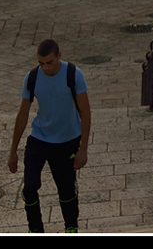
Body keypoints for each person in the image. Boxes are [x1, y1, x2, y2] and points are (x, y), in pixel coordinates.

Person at [7, 39, 91, 233]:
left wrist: (83, 148)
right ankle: (36, 230)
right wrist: (13, 151)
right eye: (41, 63)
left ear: (59, 56)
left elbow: (85, 112)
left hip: (67, 141)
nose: (45, 68)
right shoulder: (32, 77)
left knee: (66, 190)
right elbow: (22, 114)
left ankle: (71, 227)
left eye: (49, 62)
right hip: (40, 138)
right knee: (29, 188)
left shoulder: (74, 75)